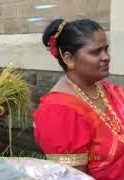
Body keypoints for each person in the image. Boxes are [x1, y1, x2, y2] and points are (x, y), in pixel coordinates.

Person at [34, 19, 124, 179]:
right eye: (96, 52)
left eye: (106, 49)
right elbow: (73, 176)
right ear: (69, 59)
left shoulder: (106, 89)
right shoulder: (59, 111)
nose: (106, 57)